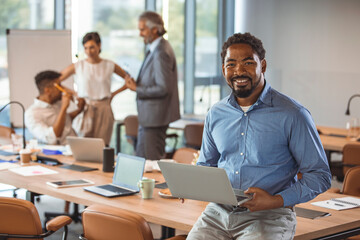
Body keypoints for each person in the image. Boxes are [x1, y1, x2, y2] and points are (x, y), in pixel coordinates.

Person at [187, 33, 332, 240]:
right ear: (223, 70)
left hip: (270, 216)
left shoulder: (293, 114)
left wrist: (275, 200)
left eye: (247, 62)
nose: (239, 71)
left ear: (262, 66)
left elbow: (320, 176)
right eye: (231, 64)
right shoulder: (216, 113)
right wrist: (192, 185)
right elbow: (206, 165)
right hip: (217, 214)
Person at [125, 11, 180, 160]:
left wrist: (137, 89)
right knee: (143, 162)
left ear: (154, 29)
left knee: (151, 165)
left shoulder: (161, 51)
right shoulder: (155, 48)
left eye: (142, 29)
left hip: (155, 119)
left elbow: (163, 88)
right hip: (149, 119)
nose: (140, 34)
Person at [59, 32, 128, 145]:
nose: (88, 51)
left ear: (99, 46)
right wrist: (74, 93)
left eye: (92, 47)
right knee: (83, 144)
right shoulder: (79, 66)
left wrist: (113, 94)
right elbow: (57, 81)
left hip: (104, 108)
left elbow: (129, 80)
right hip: (85, 108)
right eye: (85, 48)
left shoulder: (109, 65)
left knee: (102, 146)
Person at [25, 70, 85, 145]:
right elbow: (52, 138)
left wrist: (79, 110)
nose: (62, 89)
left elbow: (66, 120)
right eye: (59, 86)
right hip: (59, 152)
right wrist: (64, 108)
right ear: (48, 90)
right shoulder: (32, 114)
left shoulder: (57, 103)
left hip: (76, 144)